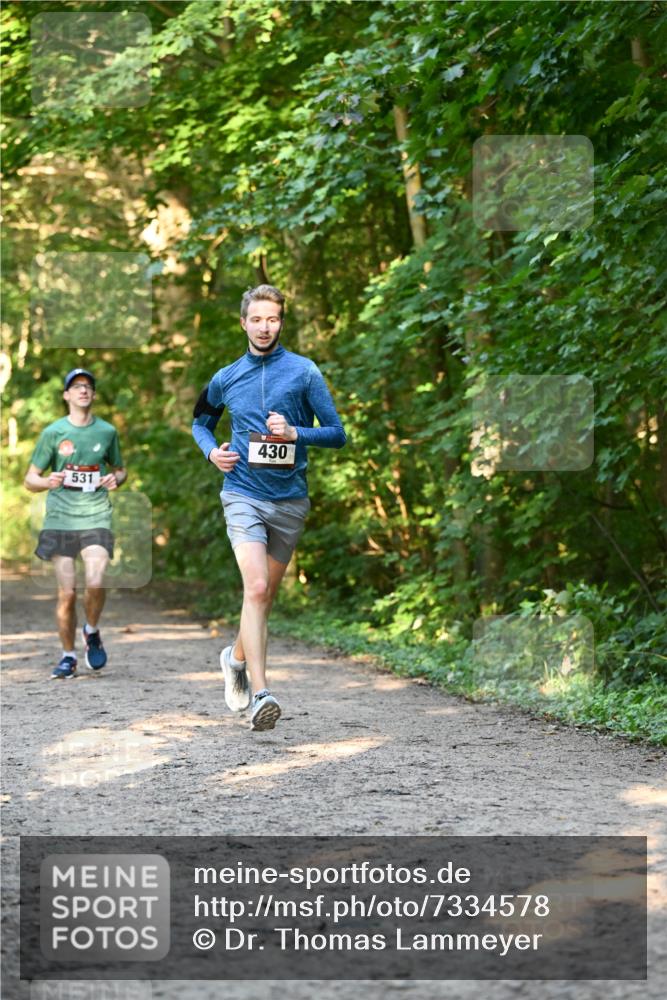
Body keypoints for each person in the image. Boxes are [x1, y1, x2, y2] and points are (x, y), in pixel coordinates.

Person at [192, 284, 346, 732]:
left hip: (290, 499)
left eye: (272, 319)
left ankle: (234, 658)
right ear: (243, 323)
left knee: (265, 597)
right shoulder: (226, 376)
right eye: (256, 319)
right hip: (241, 492)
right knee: (256, 589)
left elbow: (337, 433)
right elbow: (201, 422)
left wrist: (297, 433)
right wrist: (210, 452)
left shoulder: (304, 372)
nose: (264, 327)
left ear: (281, 322)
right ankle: (261, 693)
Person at [24, 369, 127, 679]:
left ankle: (91, 630)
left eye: (88, 387)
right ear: (66, 396)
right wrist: (47, 481)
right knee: (67, 593)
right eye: (76, 387)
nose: (83, 391)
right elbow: (29, 480)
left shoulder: (107, 432)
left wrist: (114, 478)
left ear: (93, 395)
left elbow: (121, 470)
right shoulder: (52, 433)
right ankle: (68, 656)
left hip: (96, 514)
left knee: (96, 580)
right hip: (60, 518)